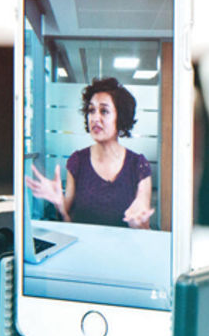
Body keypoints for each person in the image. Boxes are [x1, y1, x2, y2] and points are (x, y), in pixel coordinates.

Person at [26, 77, 155, 229]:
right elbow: (69, 225)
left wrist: (137, 223)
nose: (95, 118)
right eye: (91, 110)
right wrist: (59, 206)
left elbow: (144, 228)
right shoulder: (78, 161)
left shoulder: (138, 165)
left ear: (120, 117)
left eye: (104, 111)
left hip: (124, 244)